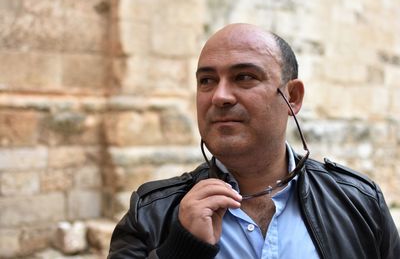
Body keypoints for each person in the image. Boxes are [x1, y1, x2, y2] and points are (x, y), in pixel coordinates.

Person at [108, 23, 400, 259]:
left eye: (244, 77)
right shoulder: (150, 214)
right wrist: (180, 251)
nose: (220, 96)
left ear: (293, 97)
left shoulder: (359, 202)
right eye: (207, 81)